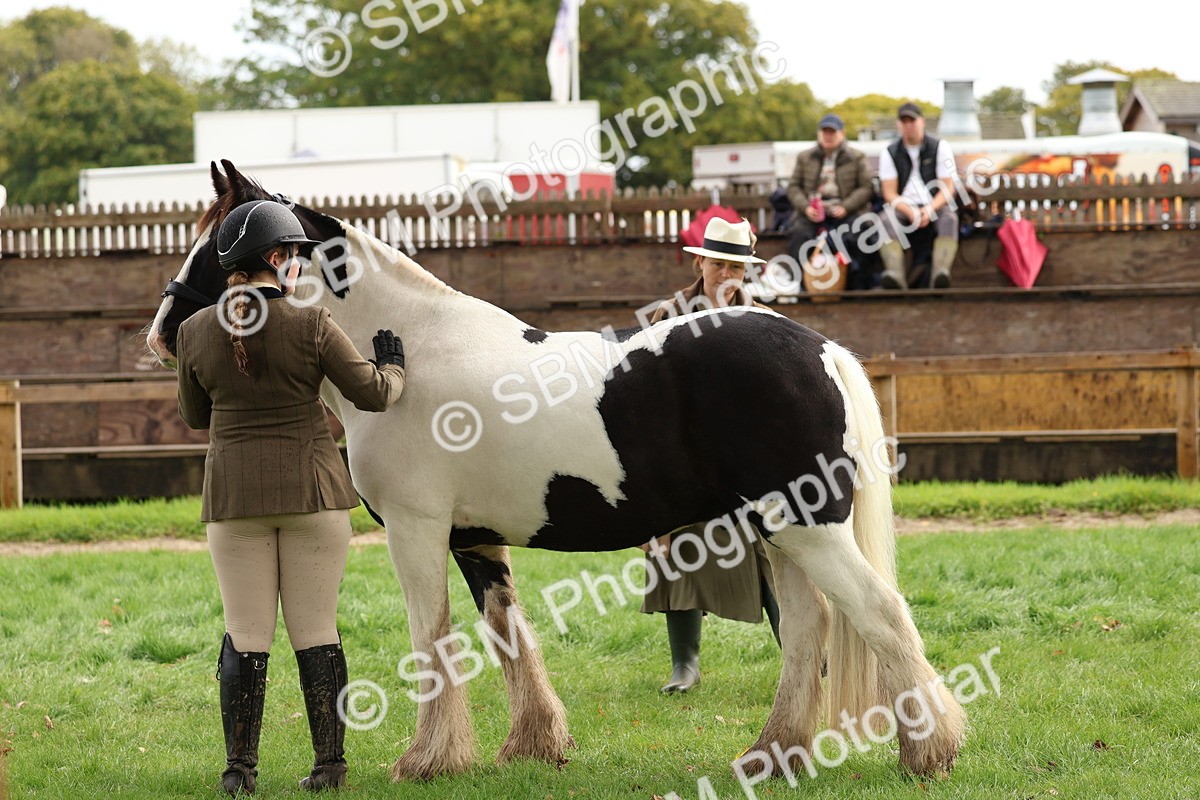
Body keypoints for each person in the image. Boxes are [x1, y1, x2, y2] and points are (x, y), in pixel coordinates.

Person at [176, 199, 407, 794]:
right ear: (275, 259)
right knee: (318, 633)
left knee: (245, 635)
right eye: (297, 256)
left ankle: (239, 773)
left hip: (233, 499)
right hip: (313, 494)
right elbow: (375, 395)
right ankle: (329, 767)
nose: (301, 267)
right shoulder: (312, 323)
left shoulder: (194, 331)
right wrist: (393, 364)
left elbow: (196, 417)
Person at [639, 216, 781, 694]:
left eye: (737, 267)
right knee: (674, 550)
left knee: (774, 552)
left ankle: (807, 655)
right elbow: (645, 406)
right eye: (720, 264)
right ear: (700, 262)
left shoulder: (762, 320)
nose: (728, 275)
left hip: (744, 462)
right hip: (681, 461)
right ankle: (686, 666)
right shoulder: (666, 316)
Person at [785, 113, 874, 290]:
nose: (828, 136)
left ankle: (854, 285)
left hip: (845, 210)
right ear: (819, 133)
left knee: (857, 233)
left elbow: (866, 187)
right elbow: (793, 187)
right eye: (824, 131)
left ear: (842, 133)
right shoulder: (805, 157)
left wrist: (846, 207)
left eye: (832, 132)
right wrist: (806, 208)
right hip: (813, 211)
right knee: (799, 234)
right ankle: (804, 286)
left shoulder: (857, 157)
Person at [877, 102, 960, 290]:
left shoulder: (940, 146)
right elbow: (889, 192)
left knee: (949, 219)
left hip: (935, 204)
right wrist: (909, 210)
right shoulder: (890, 151)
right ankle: (895, 275)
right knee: (886, 220)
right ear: (898, 124)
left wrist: (929, 209)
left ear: (921, 121)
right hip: (903, 205)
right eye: (904, 121)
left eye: (912, 120)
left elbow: (948, 187)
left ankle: (940, 273)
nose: (908, 125)